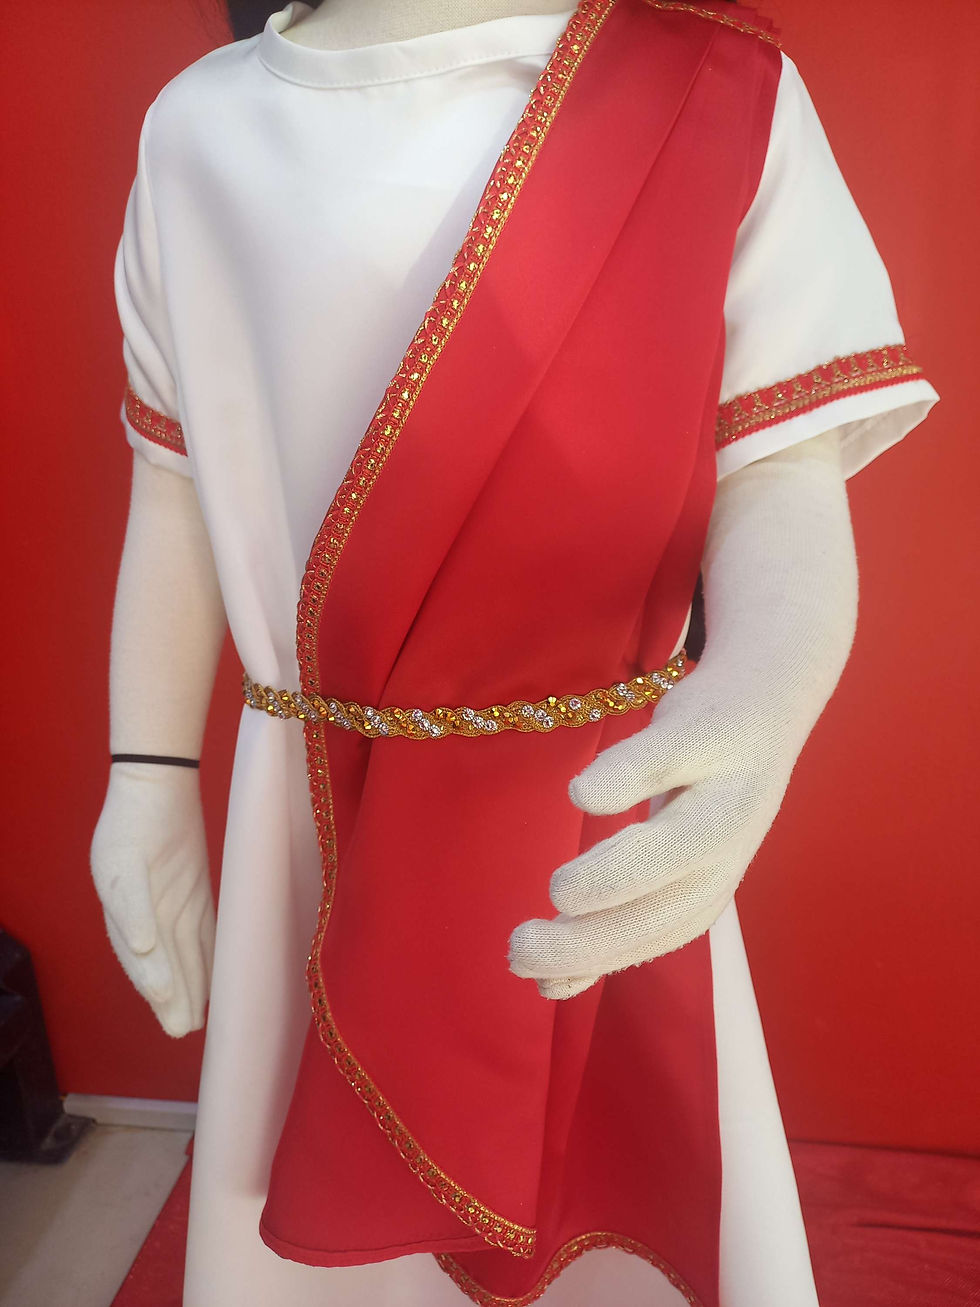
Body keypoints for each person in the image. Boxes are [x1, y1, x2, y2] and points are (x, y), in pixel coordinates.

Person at [90, 1, 939, 1303]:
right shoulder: (199, 129)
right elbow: (174, 482)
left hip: (599, 807)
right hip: (306, 824)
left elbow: (781, 476)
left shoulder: (718, 92)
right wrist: (145, 778)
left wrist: (761, 706)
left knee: (618, 1197)